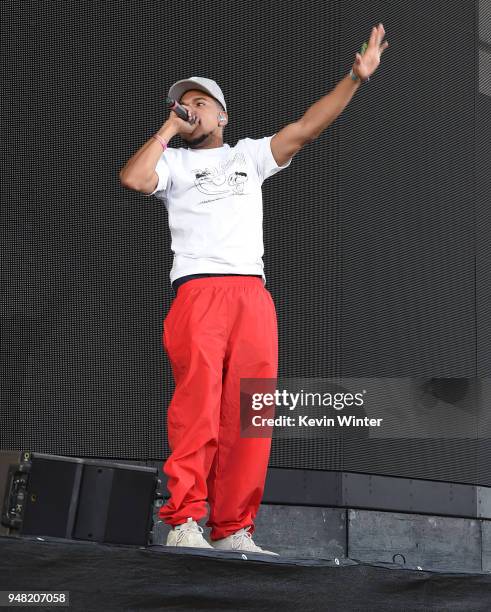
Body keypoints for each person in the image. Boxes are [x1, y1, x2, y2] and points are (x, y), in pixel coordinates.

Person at [119, 24, 389, 555]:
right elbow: (133, 179)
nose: (188, 109)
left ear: (222, 114)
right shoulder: (171, 162)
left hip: (251, 297)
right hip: (198, 292)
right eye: (180, 104)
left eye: (198, 102)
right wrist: (166, 131)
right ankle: (184, 523)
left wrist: (354, 79)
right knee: (197, 410)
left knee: (250, 415)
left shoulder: (249, 155)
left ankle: (233, 529)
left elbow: (308, 127)